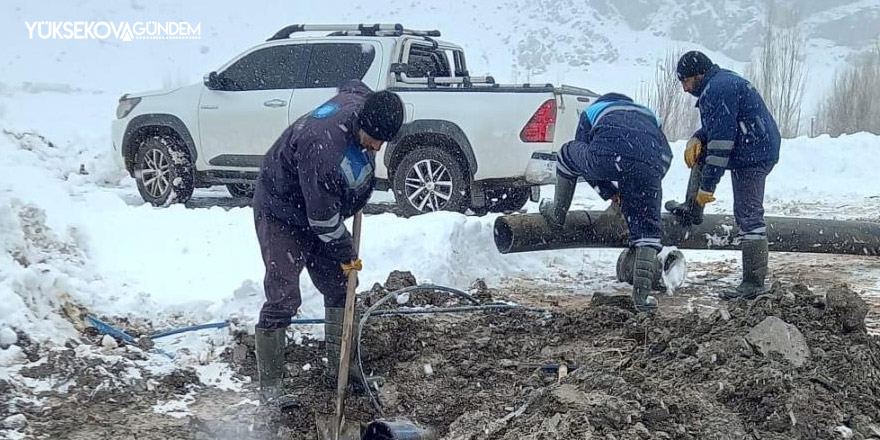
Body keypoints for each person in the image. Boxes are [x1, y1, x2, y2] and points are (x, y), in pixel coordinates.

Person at [251, 80, 404, 405]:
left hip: (321, 208)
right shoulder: (324, 148)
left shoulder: (362, 103)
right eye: (375, 140)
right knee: (283, 296)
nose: (377, 147)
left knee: (341, 285)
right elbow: (322, 221)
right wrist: (348, 253)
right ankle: (271, 389)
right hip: (282, 211)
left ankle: (342, 369)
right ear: (362, 124)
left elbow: (352, 85)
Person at [540, 93, 672, 312]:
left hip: (606, 157)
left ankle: (557, 214)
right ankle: (642, 300)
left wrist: (608, 190)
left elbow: (585, 159)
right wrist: (641, 186)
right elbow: (666, 156)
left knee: (566, 155)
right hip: (649, 165)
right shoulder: (648, 115)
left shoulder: (593, 111)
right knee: (648, 231)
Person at [676, 50, 781, 299]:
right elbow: (721, 125)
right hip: (751, 146)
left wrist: (707, 188)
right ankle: (692, 211)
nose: (684, 88)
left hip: (754, 153)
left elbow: (722, 144)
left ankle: (753, 284)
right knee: (702, 152)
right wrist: (698, 137)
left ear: (698, 74)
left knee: (748, 214)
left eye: (685, 81)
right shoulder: (719, 83)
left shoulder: (718, 89)